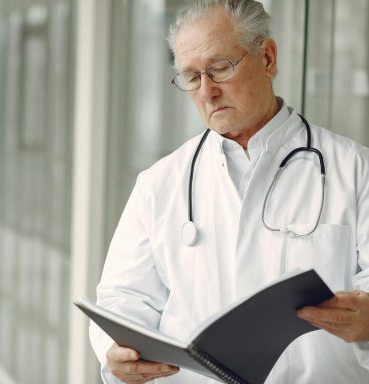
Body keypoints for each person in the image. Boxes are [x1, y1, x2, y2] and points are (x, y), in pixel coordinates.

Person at [89, 0, 369, 383]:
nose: (207, 91)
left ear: (267, 58)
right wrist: (115, 350)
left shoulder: (356, 171)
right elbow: (123, 299)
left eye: (220, 68)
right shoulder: (159, 183)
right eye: (191, 77)